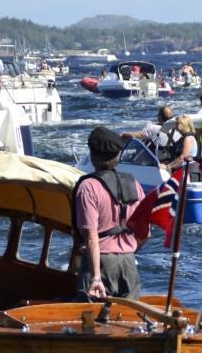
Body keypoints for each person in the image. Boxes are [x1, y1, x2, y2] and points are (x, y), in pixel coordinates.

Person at [73, 126, 146, 301]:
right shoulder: (134, 184)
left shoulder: (88, 187)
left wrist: (96, 277)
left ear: (92, 155)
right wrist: (128, 251)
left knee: (90, 323)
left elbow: (91, 237)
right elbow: (146, 232)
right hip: (129, 263)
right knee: (130, 322)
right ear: (117, 156)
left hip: (101, 263)